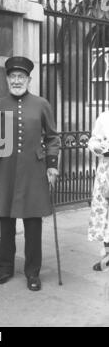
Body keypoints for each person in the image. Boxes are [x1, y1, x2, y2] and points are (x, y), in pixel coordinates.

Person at [0, 56, 60, 291]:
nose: (17, 80)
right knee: (6, 223)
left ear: (29, 79)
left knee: (33, 225)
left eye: (21, 77)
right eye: (13, 76)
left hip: (33, 173)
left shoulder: (41, 104)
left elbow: (53, 137)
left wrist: (52, 165)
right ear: (7, 79)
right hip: (4, 172)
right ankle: (5, 268)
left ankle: (33, 273)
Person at [88, 111, 109, 271]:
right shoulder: (105, 116)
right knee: (105, 213)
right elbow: (93, 139)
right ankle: (107, 258)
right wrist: (97, 146)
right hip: (106, 171)